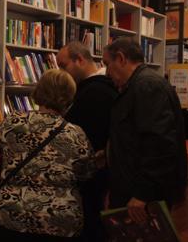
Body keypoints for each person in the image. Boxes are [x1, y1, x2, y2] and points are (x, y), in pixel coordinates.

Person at [0, 69, 95, 242]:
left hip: (13, 215)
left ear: (38, 92)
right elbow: (87, 173)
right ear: (69, 99)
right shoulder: (75, 133)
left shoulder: (14, 121)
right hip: (60, 221)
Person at [102, 37, 187, 223]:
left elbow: (159, 144)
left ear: (121, 59)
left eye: (107, 64)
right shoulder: (138, 85)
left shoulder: (146, 86)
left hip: (141, 195)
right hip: (134, 187)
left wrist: (143, 193)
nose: (107, 72)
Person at [57, 41, 117, 242]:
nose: (61, 72)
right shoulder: (98, 87)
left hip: (93, 171)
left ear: (80, 60)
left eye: (64, 66)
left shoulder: (95, 91)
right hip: (94, 168)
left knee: (91, 222)